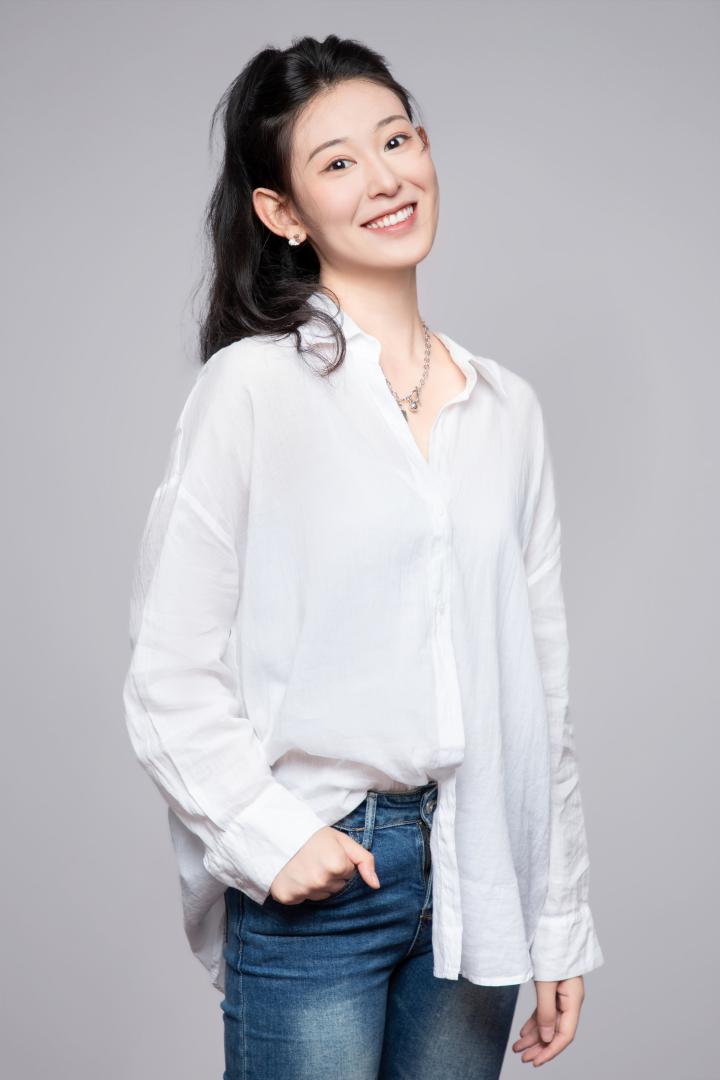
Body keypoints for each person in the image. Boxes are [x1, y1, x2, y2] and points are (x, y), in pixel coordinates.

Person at [122, 33, 605, 1079]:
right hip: (329, 870)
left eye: (396, 141)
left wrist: (558, 914)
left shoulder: (507, 411)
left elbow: (540, 689)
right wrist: (268, 834)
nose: (385, 178)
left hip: (480, 874)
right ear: (283, 212)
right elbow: (167, 671)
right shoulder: (253, 392)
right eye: (337, 161)